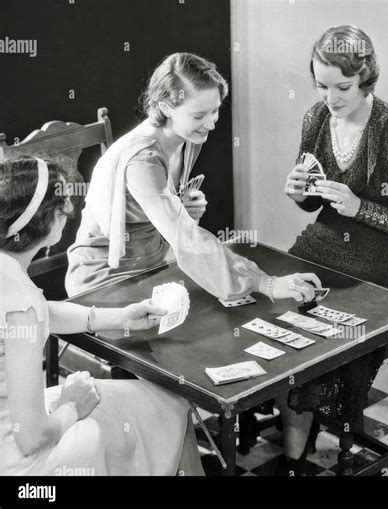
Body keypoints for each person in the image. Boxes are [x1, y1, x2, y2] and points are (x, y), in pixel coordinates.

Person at [278, 25, 388, 474]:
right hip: (323, 244)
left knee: (331, 333)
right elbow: (314, 198)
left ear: (367, 78)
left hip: (385, 262)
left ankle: (301, 438)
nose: (330, 98)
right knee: (277, 307)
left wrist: (359, 207)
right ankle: (296, 427)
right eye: (322, 85)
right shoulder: (315, 118)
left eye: (342, 87)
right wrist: (300, 194)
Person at [0, 156, 204, 475]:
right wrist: (72, 406)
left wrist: (120, 317)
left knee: (161, 404)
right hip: (21, 458)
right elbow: (31, 438)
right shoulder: (21, 302)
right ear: (50, 218)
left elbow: (44, 312)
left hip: (14, 421)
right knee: (168, 404)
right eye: (66, 209)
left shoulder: (9, 278)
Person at [65, 52, 319, 304]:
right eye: (199, 115)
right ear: (165, 108)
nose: (210, 124)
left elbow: (164, 217)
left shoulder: (188, 137)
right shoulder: (143, 160)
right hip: (108, 281)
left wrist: (180, 208)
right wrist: (265, 282)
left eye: (215, 111)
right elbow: (183, 236)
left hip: (156, 263)